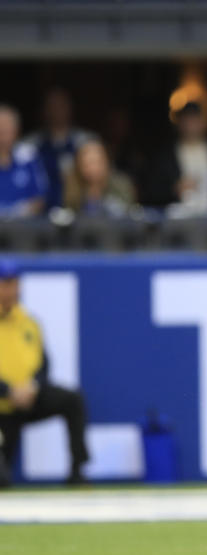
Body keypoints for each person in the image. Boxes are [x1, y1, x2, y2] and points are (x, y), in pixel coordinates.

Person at [0, 259, 89, 486]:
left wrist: (33, 386)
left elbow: (43, 363)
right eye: (3, 283)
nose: (8, 289)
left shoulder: (28, 322)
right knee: (2, 480)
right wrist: (8, 391)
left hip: (27, 399)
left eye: (12, 283)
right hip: (3, 406)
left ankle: (77, 471)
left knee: (71, 399)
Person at [140, 101, 207, 218]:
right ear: (180, 124)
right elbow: (151, 193)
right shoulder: (167, 155)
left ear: (204, 122)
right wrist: (174, 189)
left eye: (195, 120)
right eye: (187, 120)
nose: (191, 125)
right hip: (179, 224)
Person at [24, 88, 95, 208]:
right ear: (44, 110)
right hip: (40, 214)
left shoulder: (85, 141)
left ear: (70, 108)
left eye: (61, 106)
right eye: (52, 106)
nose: (56, 111)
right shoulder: (31, 145)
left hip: (79, 211)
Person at [62, 139, 137, 218]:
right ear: (79, 166)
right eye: (87, 164)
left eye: (96, 162)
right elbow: (70, 214)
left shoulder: (121, 185)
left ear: (106, 162)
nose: (93, 168)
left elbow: (128, 213)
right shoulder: (73, 187)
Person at [0, 104, 48, 219]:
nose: (3, 133)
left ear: (16, 131)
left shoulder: (29, 156)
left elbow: (40, 198)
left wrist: (17, 213)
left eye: (7, 128)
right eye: (1, 128)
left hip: (24, 228)